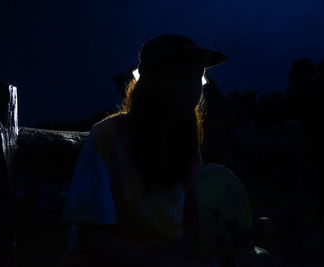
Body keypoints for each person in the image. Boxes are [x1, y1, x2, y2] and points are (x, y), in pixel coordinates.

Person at [58, 34, 228, 267]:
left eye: (197, 76)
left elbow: (191, 223)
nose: (192, 87)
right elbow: (91, 238)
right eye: (180, 74)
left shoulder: (185, 144)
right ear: (151, 81)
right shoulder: (109, 136)